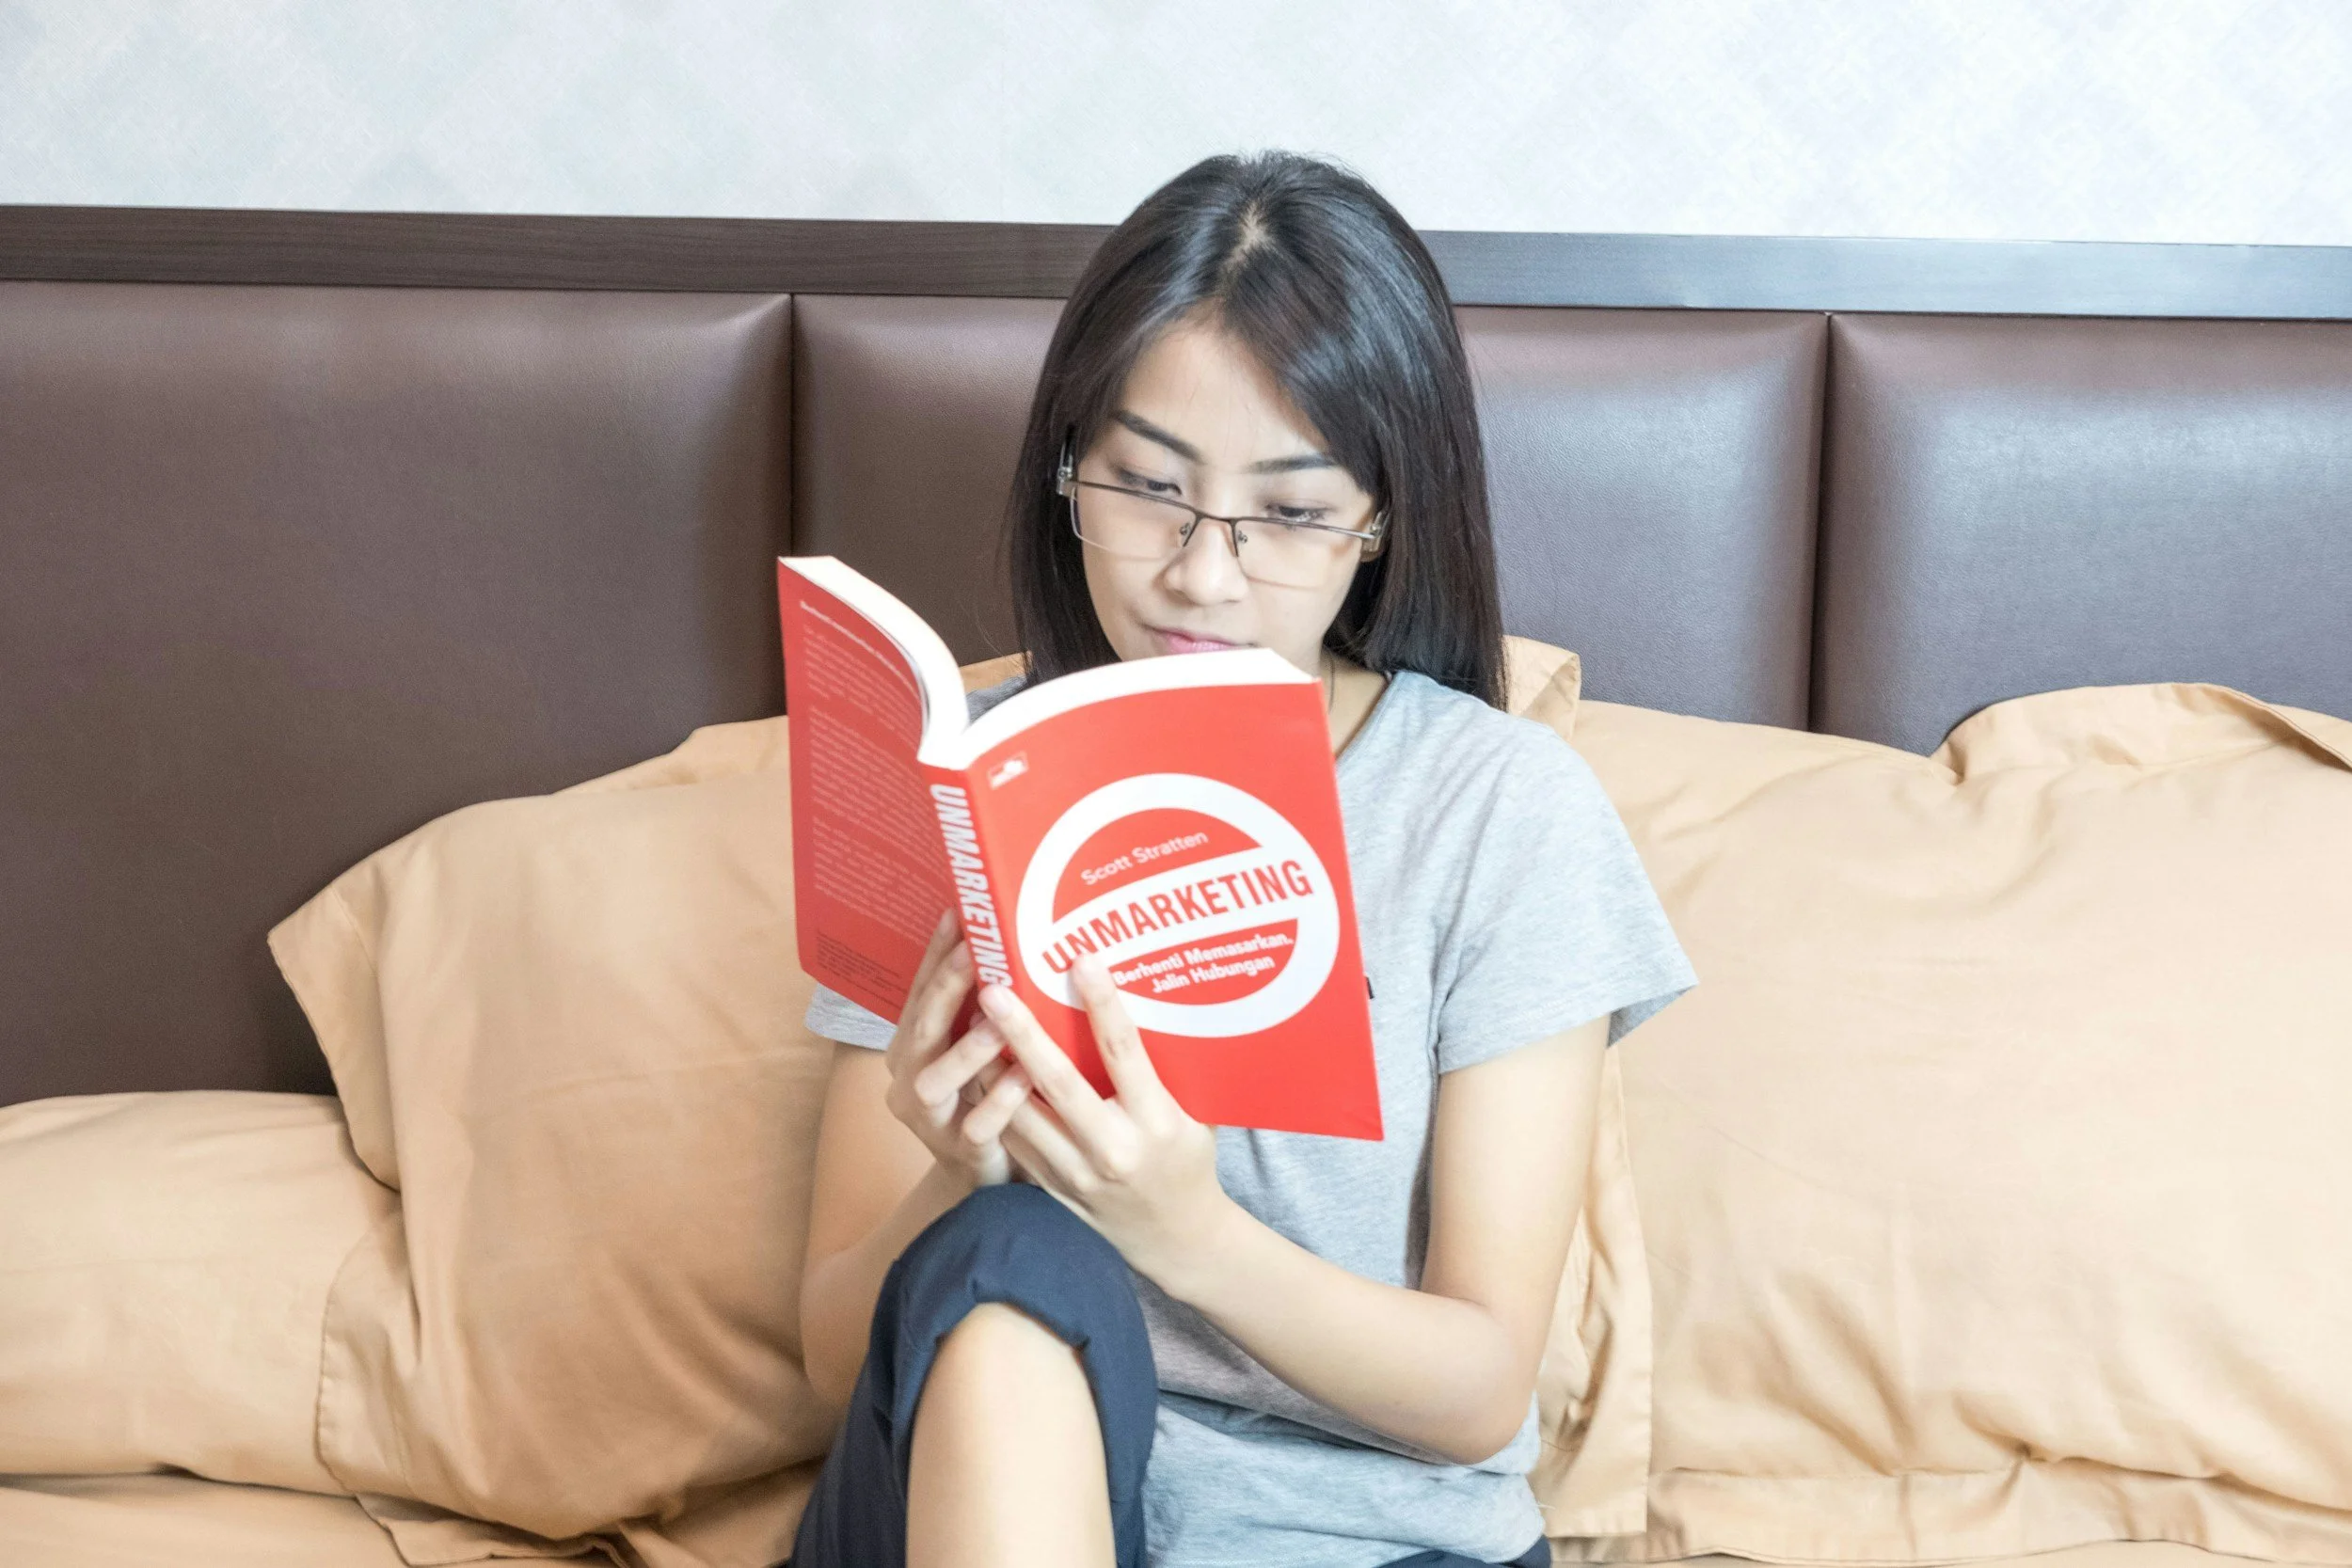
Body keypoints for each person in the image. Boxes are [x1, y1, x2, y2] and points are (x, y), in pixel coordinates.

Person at [786, 151, 1695, 1568]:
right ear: (1066, 470)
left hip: (1384, 1542)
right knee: (1013, 1256)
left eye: (1287, 510)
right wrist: (945, 1171)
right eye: (1148, 485)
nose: (1202, 575)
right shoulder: (964, 787)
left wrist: (1183, 1228)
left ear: (1381, 524)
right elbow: (827, 1353)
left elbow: (1478, 1387)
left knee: (1052, 1242)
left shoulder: (1497, 813)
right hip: (980, 1502)